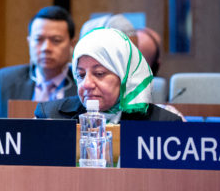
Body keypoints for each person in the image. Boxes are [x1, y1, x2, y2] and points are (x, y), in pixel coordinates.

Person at [34, 28, 182, 121]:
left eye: (99, 73)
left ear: (125, 77)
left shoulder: (163, 123)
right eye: (81, 75)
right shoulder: (50, 116)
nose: (86, 84)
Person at [0, 6, 77, 118]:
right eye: (38, 39)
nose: (46, 48)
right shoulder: (5, 80)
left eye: (56, 40)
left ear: (72, 44)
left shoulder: (83, 85)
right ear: (29, 42)